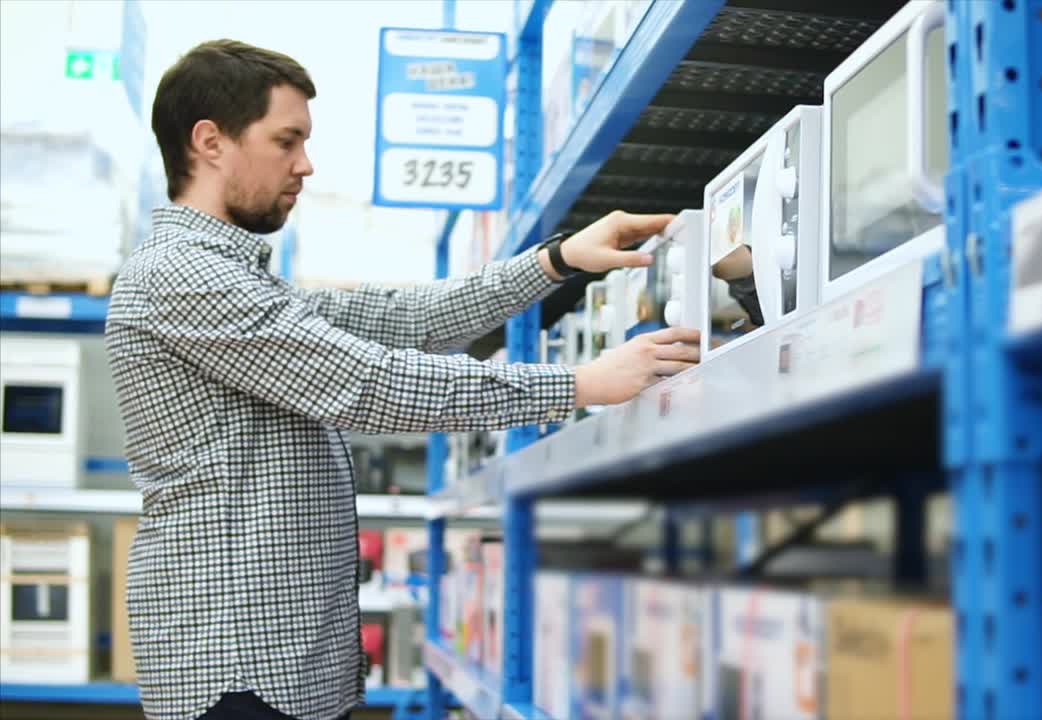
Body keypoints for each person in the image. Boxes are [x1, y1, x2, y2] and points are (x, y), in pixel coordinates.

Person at [105, 39, 700, 720]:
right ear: (210, 142)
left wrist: (557, 261)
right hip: (238, 667)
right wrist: (577, 385)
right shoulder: (182, 277)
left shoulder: (235, 276)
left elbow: (401, 319)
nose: (305, 164)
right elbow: (370, 384)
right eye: (286, 140)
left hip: (275, 661)